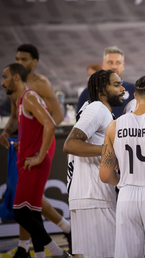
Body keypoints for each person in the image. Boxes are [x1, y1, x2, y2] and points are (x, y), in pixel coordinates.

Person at [0, 44, 70, 257]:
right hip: (27, 147)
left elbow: (54, 119)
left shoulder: (39, 86)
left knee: (24, 208)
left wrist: (41, 149)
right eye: (17, 58)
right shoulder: (18, 95)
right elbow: (17, 118)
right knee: (31, 206)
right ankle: (32, 250)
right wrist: (7, 131)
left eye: (24, 59)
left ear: (34, 61)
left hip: (41, 148)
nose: (20, 62)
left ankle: (61, 238)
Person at [99, 76, 145, 258]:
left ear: (135, 96)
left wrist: (124, 181)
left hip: (127, 195)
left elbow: (105, 175)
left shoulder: (113, 127)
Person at [63, 70, 125, 258]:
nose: (123, 89)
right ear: (101, 90)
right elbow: (70, 144)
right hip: (93, 197)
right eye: (116, 85)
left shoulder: (98, 110)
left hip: (89, 196)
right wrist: (110, 152)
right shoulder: (97, 108)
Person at [77, 46, 134, 117]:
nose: (114, 66)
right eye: (110, 62)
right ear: (103, 65)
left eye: (118, 63)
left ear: (123, 65)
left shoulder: (134, 91)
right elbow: (79, 120)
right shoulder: (89, 92)